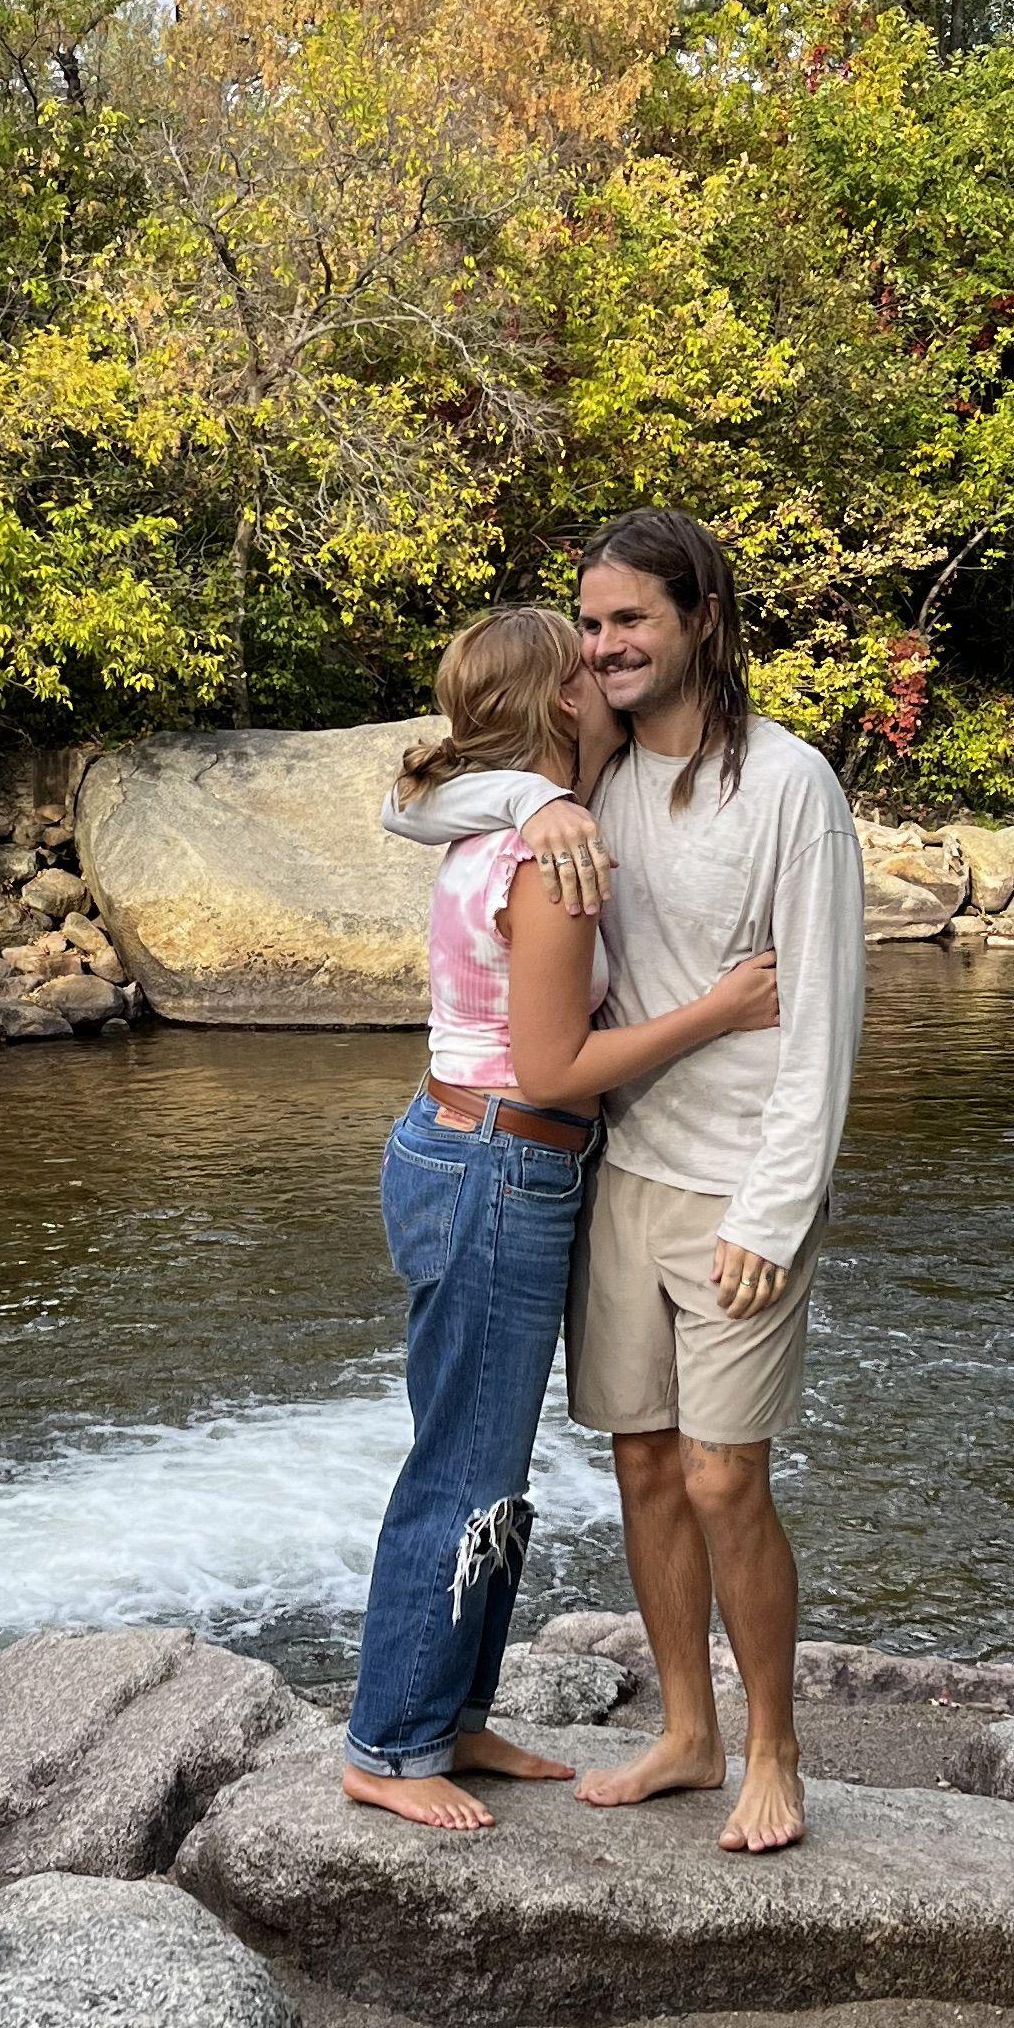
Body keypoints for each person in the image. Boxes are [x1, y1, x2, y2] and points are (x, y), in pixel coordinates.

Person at [387, 510, 866, 1852]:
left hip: (738, 1187)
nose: (603, 648)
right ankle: (684, 1732)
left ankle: (772, 1750)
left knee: (725, 1478)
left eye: (630, 622)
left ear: (702, 617)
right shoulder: (584, 776)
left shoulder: (789, 786)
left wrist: (780, 1208)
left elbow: (824, 1018)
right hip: (620, 1172)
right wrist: (534, 795)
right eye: (590, 627)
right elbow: (409, 797)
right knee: (645, 1465)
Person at [337, 604, 783, 1832]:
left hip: (474, 1158)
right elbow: (548, 1066)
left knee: (489, 1458)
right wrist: (722, 1010)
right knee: (463, 1462)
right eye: (591, 670)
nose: (612, 678)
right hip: (499, 1162)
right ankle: (387, 1743)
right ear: (567, 706)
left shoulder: (519, 823)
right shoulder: (549, 855)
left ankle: (449, 1713)